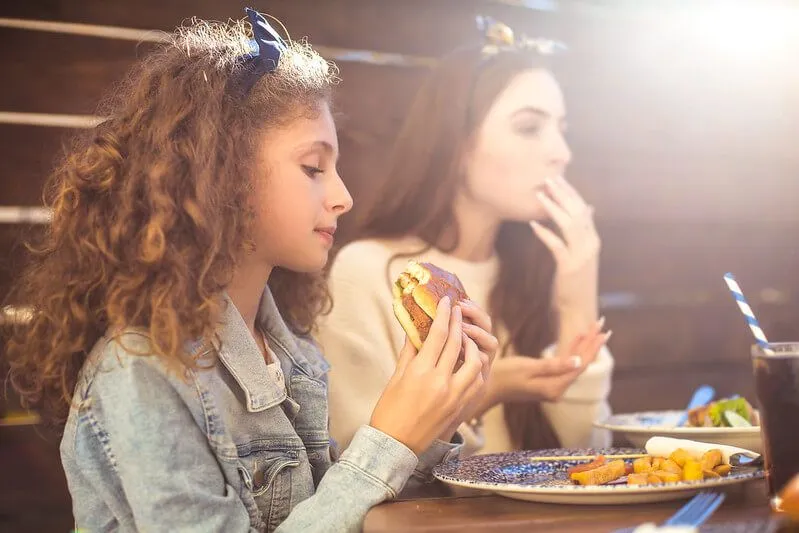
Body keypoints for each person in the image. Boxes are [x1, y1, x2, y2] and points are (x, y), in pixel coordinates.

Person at [3, 10, 495, 532]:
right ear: (222, 177)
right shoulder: (140, 369)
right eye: (313, 168)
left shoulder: (290, 354)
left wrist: (433, 420)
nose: (343, 196)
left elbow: (340, 516)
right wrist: (388, 442)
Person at [318, 18, 613, 456]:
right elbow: (362, 477)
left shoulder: (536, 270)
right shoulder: (372, 274)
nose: (560, 153)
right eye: (530, 127)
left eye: (562, 130)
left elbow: (588, 459)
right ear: (456, 144)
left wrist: (576, 302)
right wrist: (484, 391)